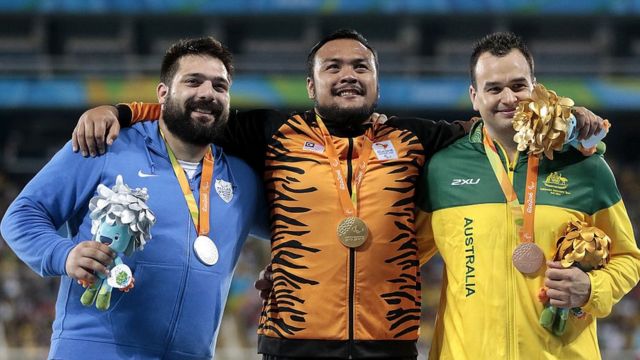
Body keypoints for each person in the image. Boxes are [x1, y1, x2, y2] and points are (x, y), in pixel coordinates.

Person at [71, 29, 603, 359]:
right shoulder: (274, 131)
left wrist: (571, 118)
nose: (347, 75)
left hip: (388, 346)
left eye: (360, 67)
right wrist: (119, 111)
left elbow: (497, 124)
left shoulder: (415, 137)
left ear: (376, 79)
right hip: (292, 343)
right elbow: (195, 113)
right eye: (333, 67)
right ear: (311, 85)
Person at [0, 37, 267, 360]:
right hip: (93, 352)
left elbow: (298, 228)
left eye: (219, 86)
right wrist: (63, 254)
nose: (207, 93)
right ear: (163, 93)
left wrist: (285, 268)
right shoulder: (104, 146)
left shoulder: (242, 178)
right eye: (193, 81)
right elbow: (23, 214)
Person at [415, 32, 640, 359]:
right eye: (493, 88)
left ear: (536, 90)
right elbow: (403, 258)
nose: (508, 97)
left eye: (518, 86)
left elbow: (629, 259)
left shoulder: (585, 167)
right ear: (474, 96)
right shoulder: (442, 168)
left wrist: (593, 288)